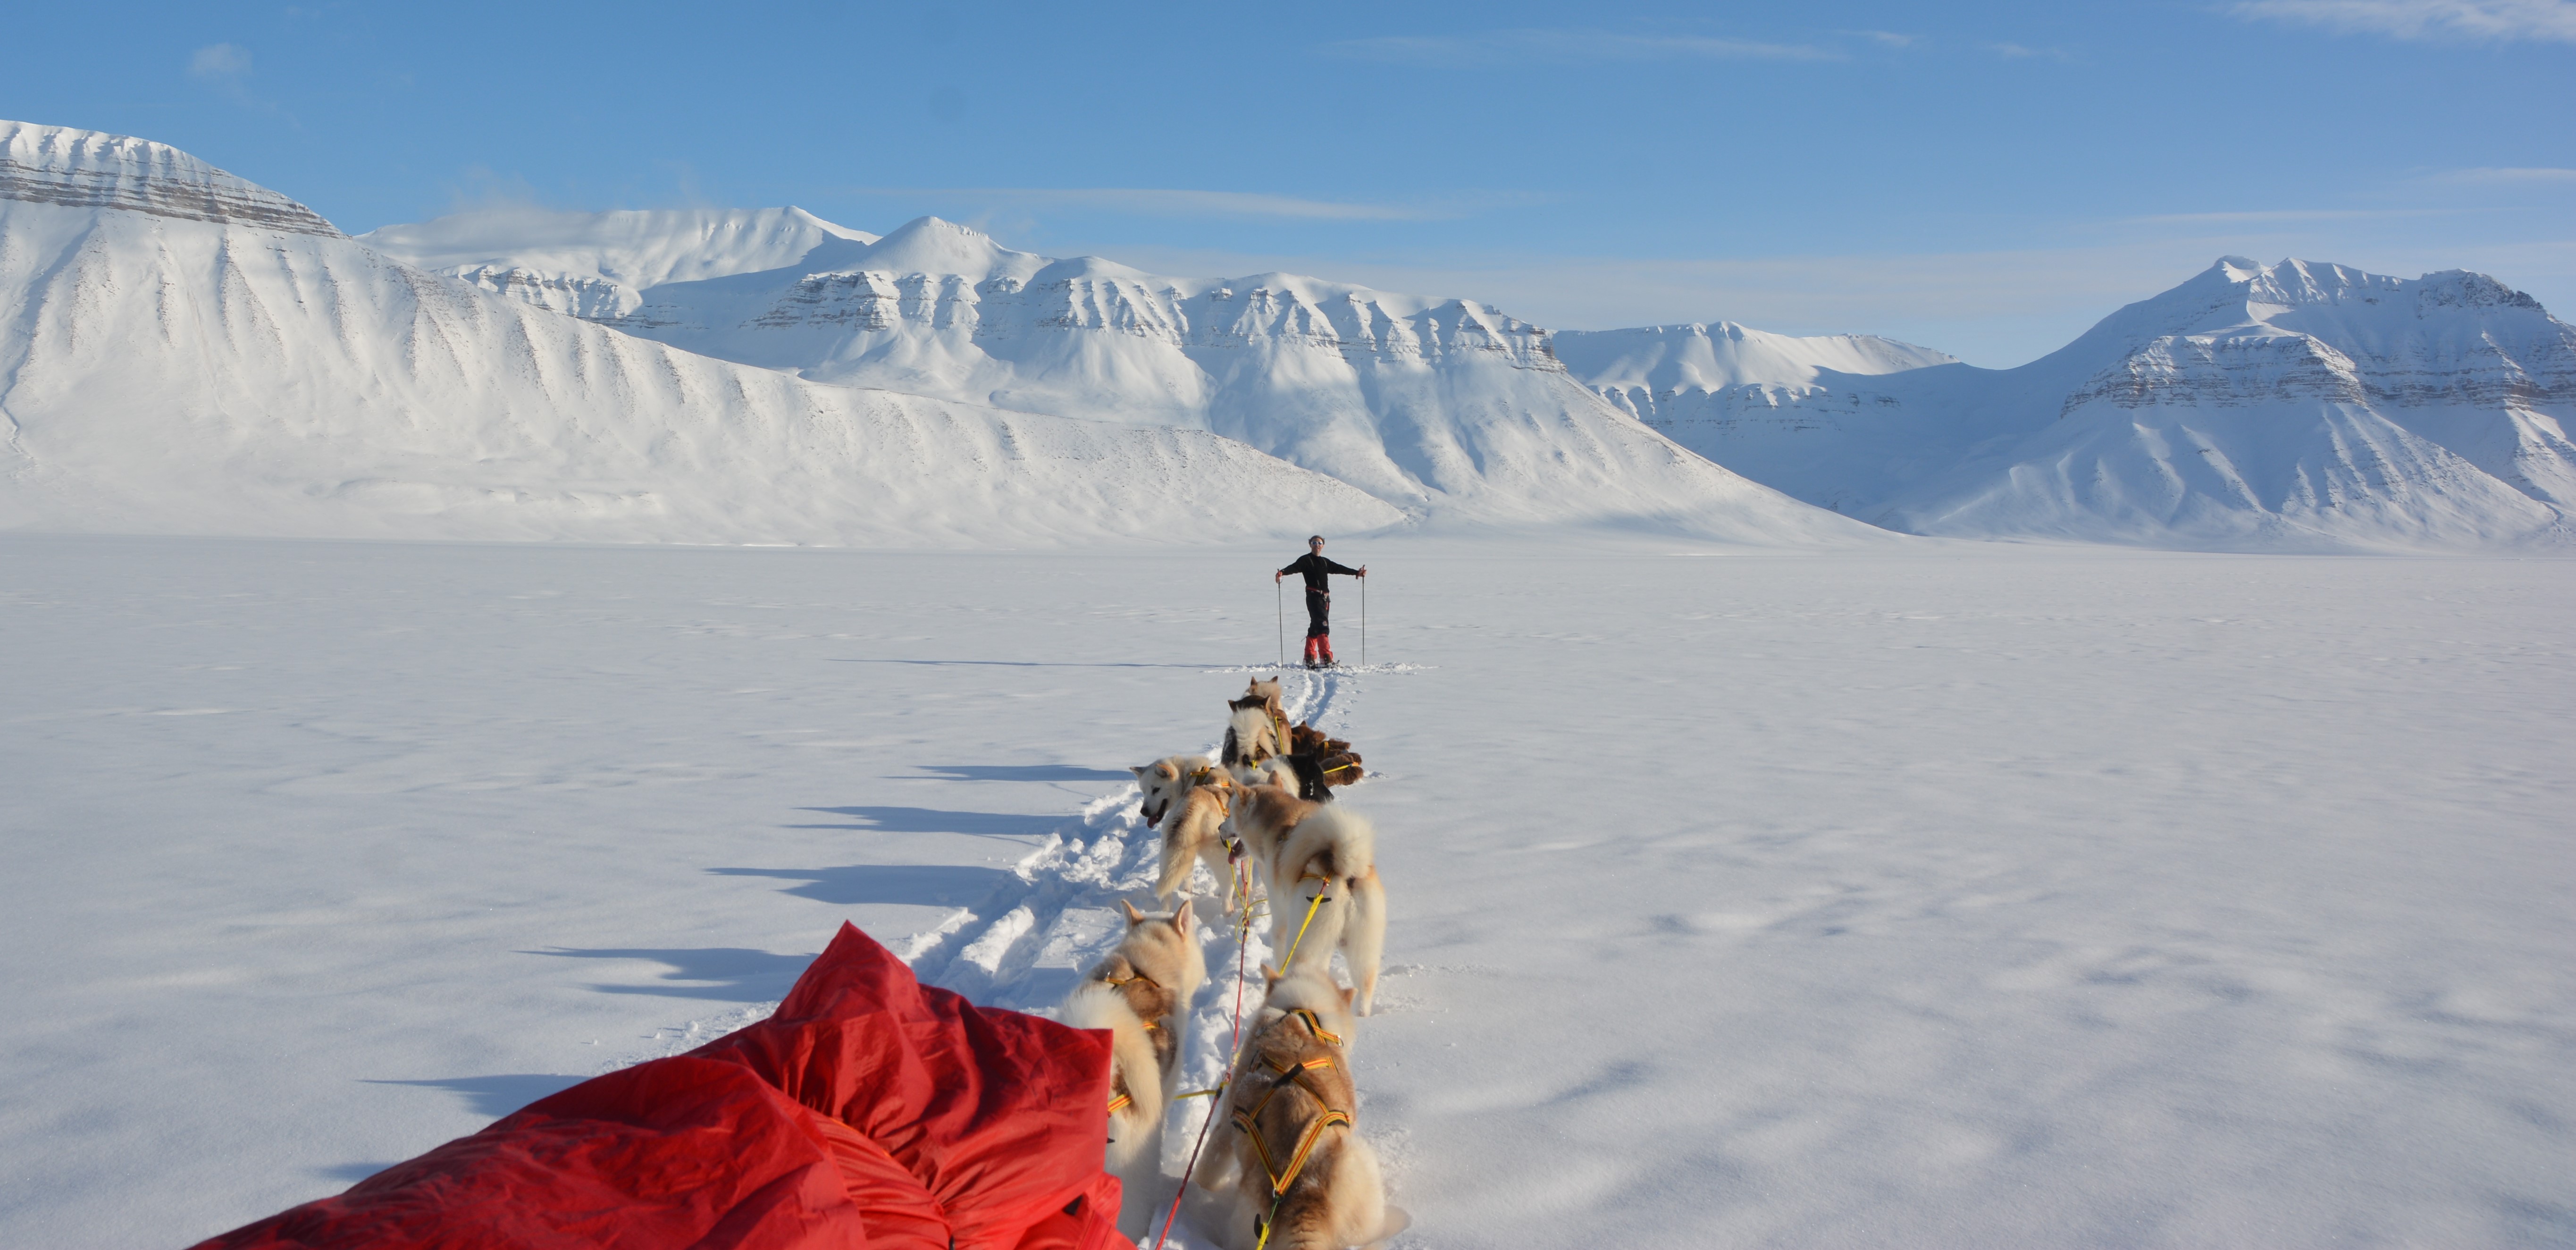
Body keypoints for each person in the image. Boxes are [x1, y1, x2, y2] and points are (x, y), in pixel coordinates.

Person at [1276, 535, 1366, 668]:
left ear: (1323, 545)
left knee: (1315, 627)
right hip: (1313, 597)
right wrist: (1282, 573)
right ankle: (1326, 660)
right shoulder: (1306, 560)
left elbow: (1339, 568)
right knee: (1323, 626)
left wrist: (1356, 573)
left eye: (1320, 543)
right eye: (1314, 543)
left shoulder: (1325, 562)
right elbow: (1294, 567)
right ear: (1310, 545)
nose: (1317, 545)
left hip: (1325, 599)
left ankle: (1310, 658)